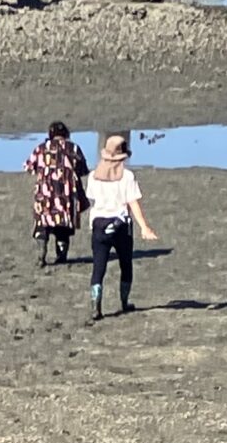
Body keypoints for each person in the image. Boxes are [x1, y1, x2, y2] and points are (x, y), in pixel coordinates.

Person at [85, 132, 160, 322]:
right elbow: (133, 203)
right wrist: (144, 227)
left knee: (98, 267)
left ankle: (96, 306)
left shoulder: (94, 176)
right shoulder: (127, 176)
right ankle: (124, 302)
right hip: (120, 225)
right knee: (125, 264)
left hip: (99, 225)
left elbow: (92, 200)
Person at [27, 121, 89, 266]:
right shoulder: (74, 148)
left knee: (42, 223)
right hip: (66, 194)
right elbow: (83, 170)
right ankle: (61, 254)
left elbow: (30, 167)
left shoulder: (41, 148)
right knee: (64, 227)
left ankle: (41, 253)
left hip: (45, 193)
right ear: (66, 134)